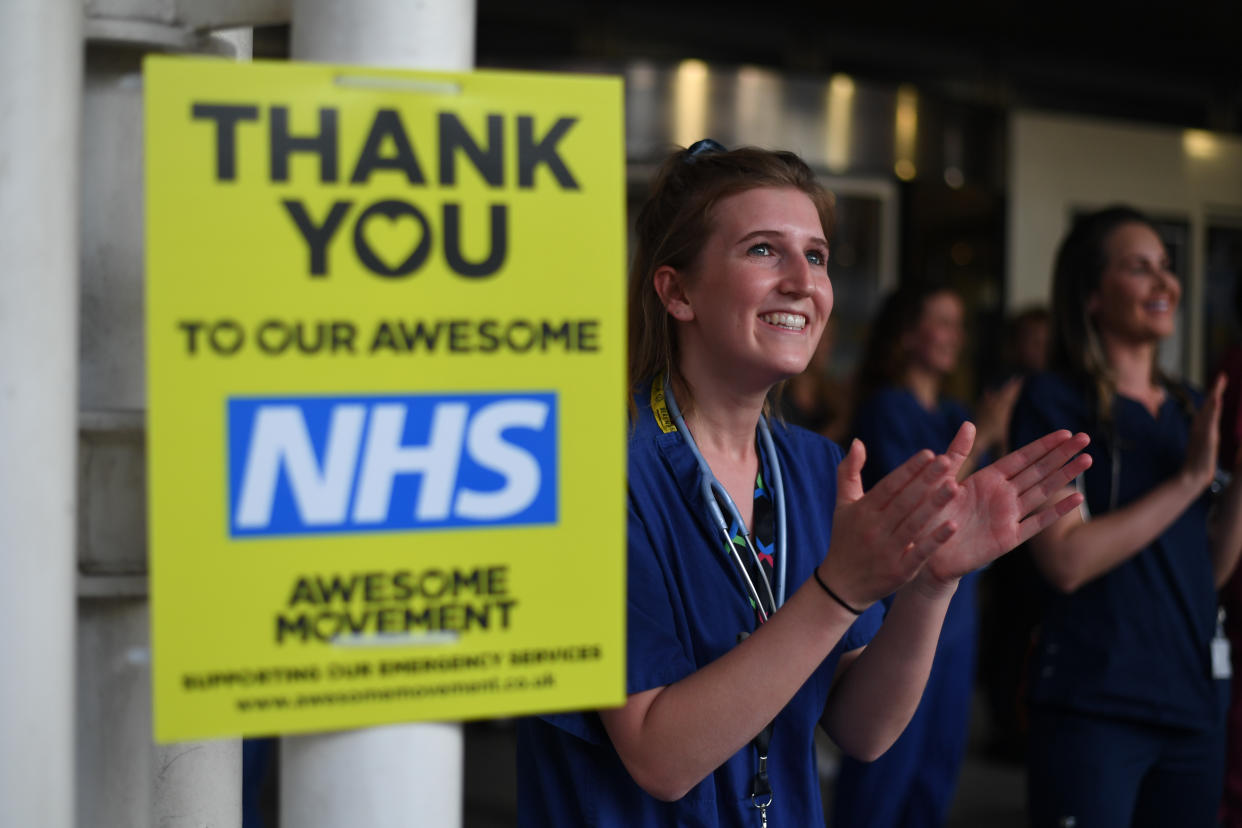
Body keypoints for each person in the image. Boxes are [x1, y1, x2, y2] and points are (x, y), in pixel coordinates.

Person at [515, 141, 1089, 827]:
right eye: (763, 250)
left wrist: (931, 585)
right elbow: (659, 756)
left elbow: (862, 728)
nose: (802, 281)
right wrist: (838, 590)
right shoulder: (589, 465)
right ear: (677, 291)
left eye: (815, 256)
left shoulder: (816, 468)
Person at [1010, 205, 1242, 827]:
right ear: (1091, 294)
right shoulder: (1052, 399)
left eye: (1166, 268)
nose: (1166, 284)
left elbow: (1209, 570)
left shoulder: (1193, 407)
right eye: (1140, 269)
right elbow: (1064, 559)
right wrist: (1191, 480)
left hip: (1194, 704)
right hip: (1097, 702)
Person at [832, 282, 1018, 828]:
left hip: (959, 615)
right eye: (940, 320)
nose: (953, 335)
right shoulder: (887, 406)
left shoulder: (960, 409)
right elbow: (917, 504)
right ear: (908, 332)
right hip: (900, 609)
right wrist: (985, 439)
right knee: (883, 769)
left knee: (936, 772)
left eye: (958, 323)